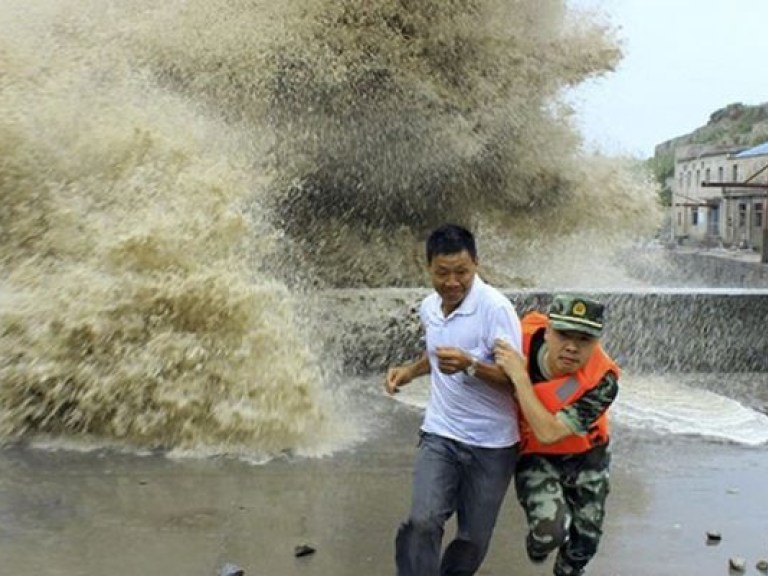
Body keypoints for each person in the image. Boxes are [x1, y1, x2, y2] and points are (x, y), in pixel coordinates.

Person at [385, 223, 523, 576]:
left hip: (492, 444)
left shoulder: (495, 309)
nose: (452, 282)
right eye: (442, 273)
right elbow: (435, 352)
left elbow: (516, 380)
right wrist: (409, 371)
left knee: (471, 541)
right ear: (429, 267)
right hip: (440, 434)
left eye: (461, 272)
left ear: (476, 264)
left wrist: (472, 365)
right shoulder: (430, 307)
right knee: (422, 521)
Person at [493, 294, 620, 576]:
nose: (572, 348)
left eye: (584, 340)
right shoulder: (519, 340)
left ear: (596, 343)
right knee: (550, 532)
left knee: (585, 543)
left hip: (588, 455)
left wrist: (520, 378)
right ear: (548, 331)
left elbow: (549, 432)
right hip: (535, 456)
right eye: (563, 335)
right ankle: (538, 545)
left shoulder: (603, 382)